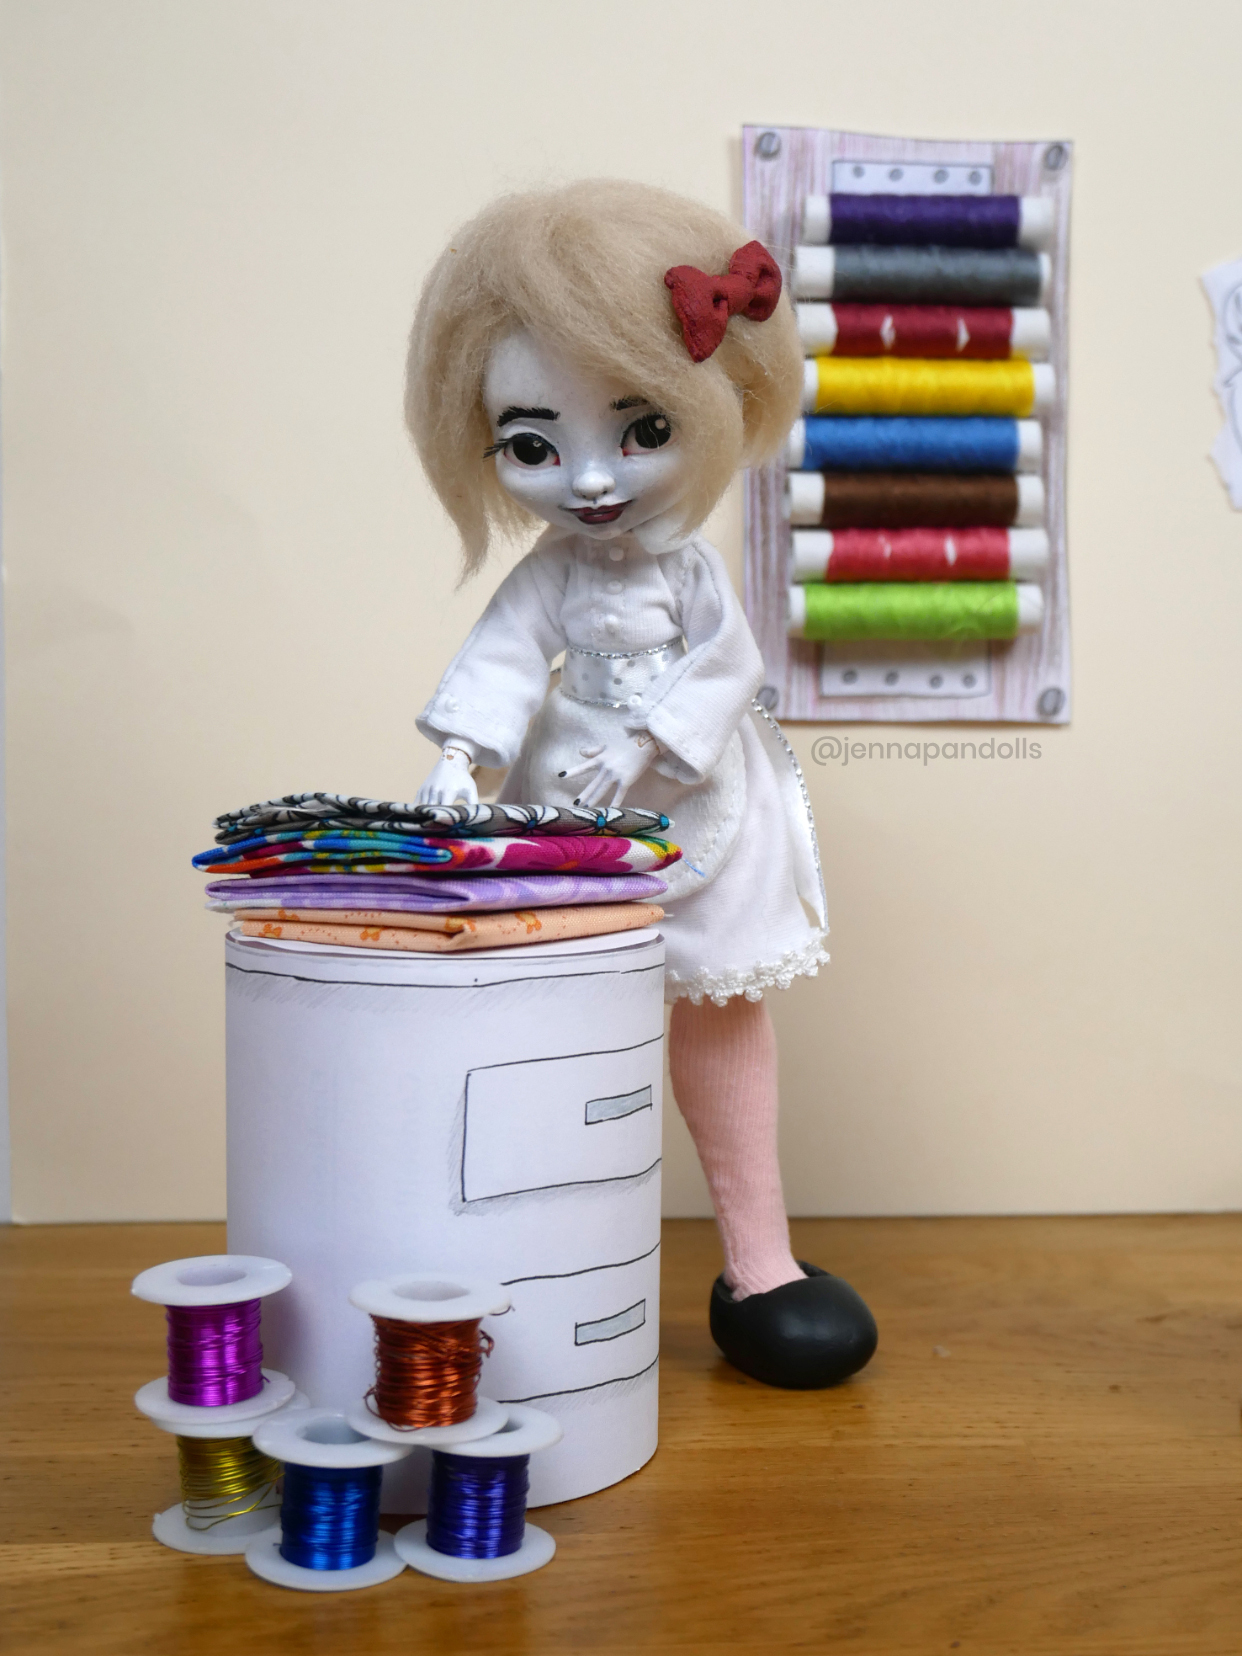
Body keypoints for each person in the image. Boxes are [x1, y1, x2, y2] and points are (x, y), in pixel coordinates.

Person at [406, 179, 876, 1388]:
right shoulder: (552, 576)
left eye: (641, 429)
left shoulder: (689, 571)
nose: (590, 483)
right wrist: (462, 755)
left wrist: (654, 744)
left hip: (704, 802)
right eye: (533, 446)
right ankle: (535, 1267)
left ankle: (759, 1262)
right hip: (571, 811)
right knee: (551, 1017)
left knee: (718, 1002)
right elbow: (502, 662)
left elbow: (732, 664)